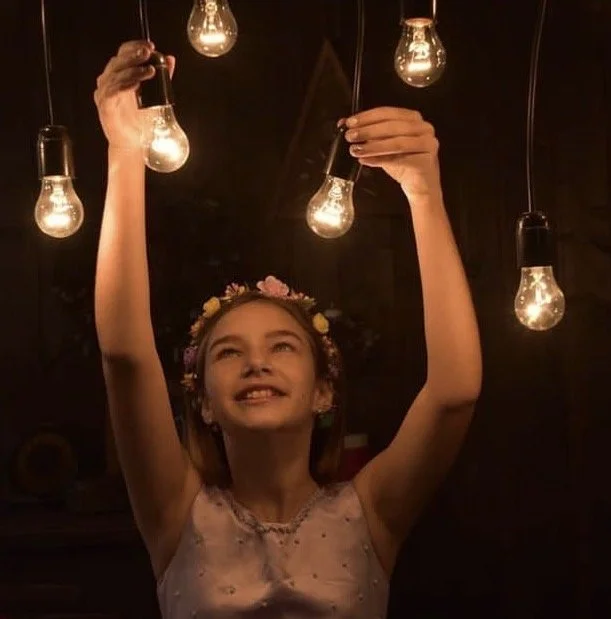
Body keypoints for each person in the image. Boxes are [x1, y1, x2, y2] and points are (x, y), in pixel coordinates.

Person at [93, 39, 482, 619]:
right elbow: (126, 355)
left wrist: (423, 192)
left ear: (324, 389)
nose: (257, 362)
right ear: (201, 401)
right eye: (228, 353)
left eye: (282, 346)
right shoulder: (176, 512)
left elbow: (453, 394)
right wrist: (125, 152)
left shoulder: (370, 513)